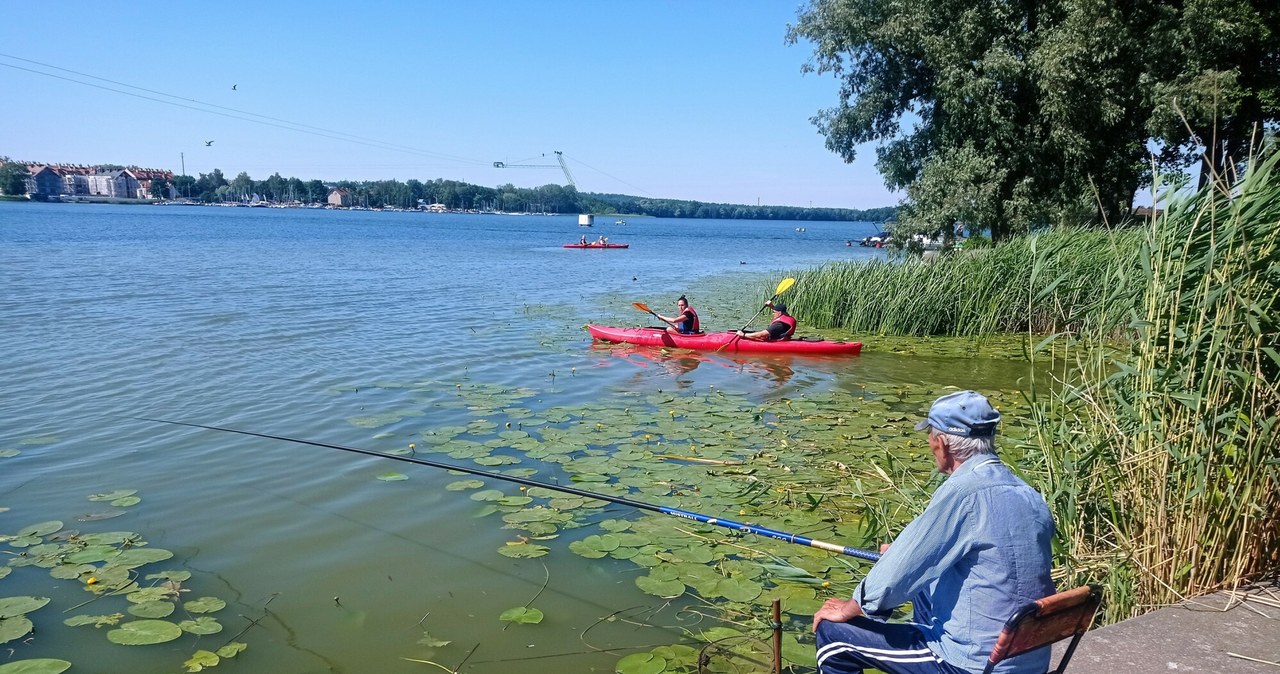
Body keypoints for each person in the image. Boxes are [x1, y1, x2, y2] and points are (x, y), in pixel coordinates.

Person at [812, 390, 1055, 674]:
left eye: (929, 434)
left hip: (973, 664)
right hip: (1030, 658)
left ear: (941, 443)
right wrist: (902, 558)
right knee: (922, 585)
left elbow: (894, 576)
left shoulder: (964, 492)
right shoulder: (1027, 493)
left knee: (833, 636)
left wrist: (851, 607)